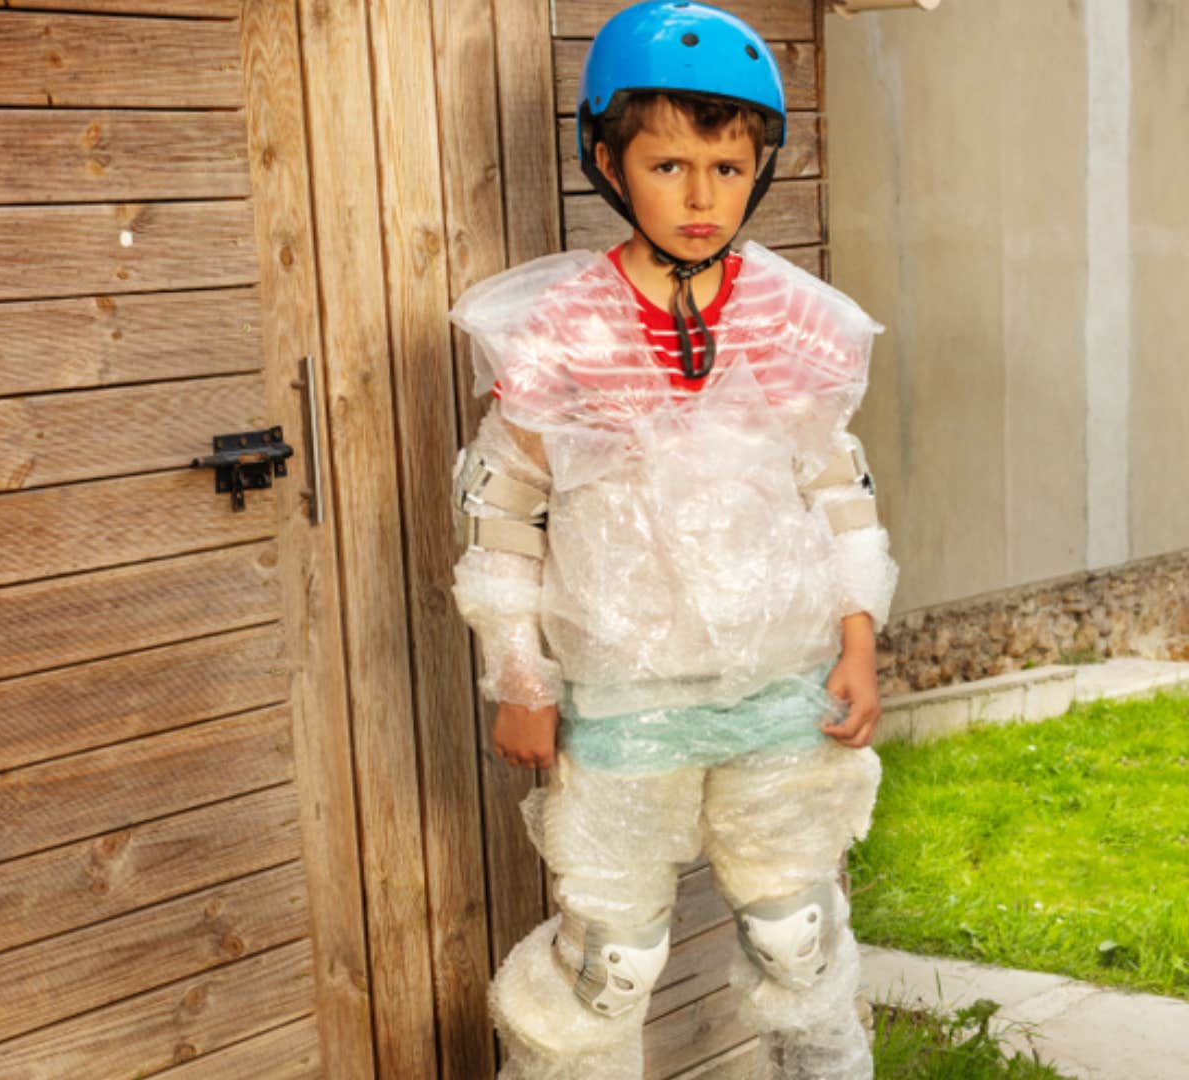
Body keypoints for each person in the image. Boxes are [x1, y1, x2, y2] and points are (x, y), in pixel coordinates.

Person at [445, 3, 896, 1076]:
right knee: (614, 956)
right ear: (607, 162)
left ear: (761, 169)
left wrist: (859, 637)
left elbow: (840, 491)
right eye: (670, 164)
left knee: (801, 933)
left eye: (729, 168)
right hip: (625, 699)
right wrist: (519, 674)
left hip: (780, 691)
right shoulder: (561, 335)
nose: (702, 198)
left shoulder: (795, 322)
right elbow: (504, 513)